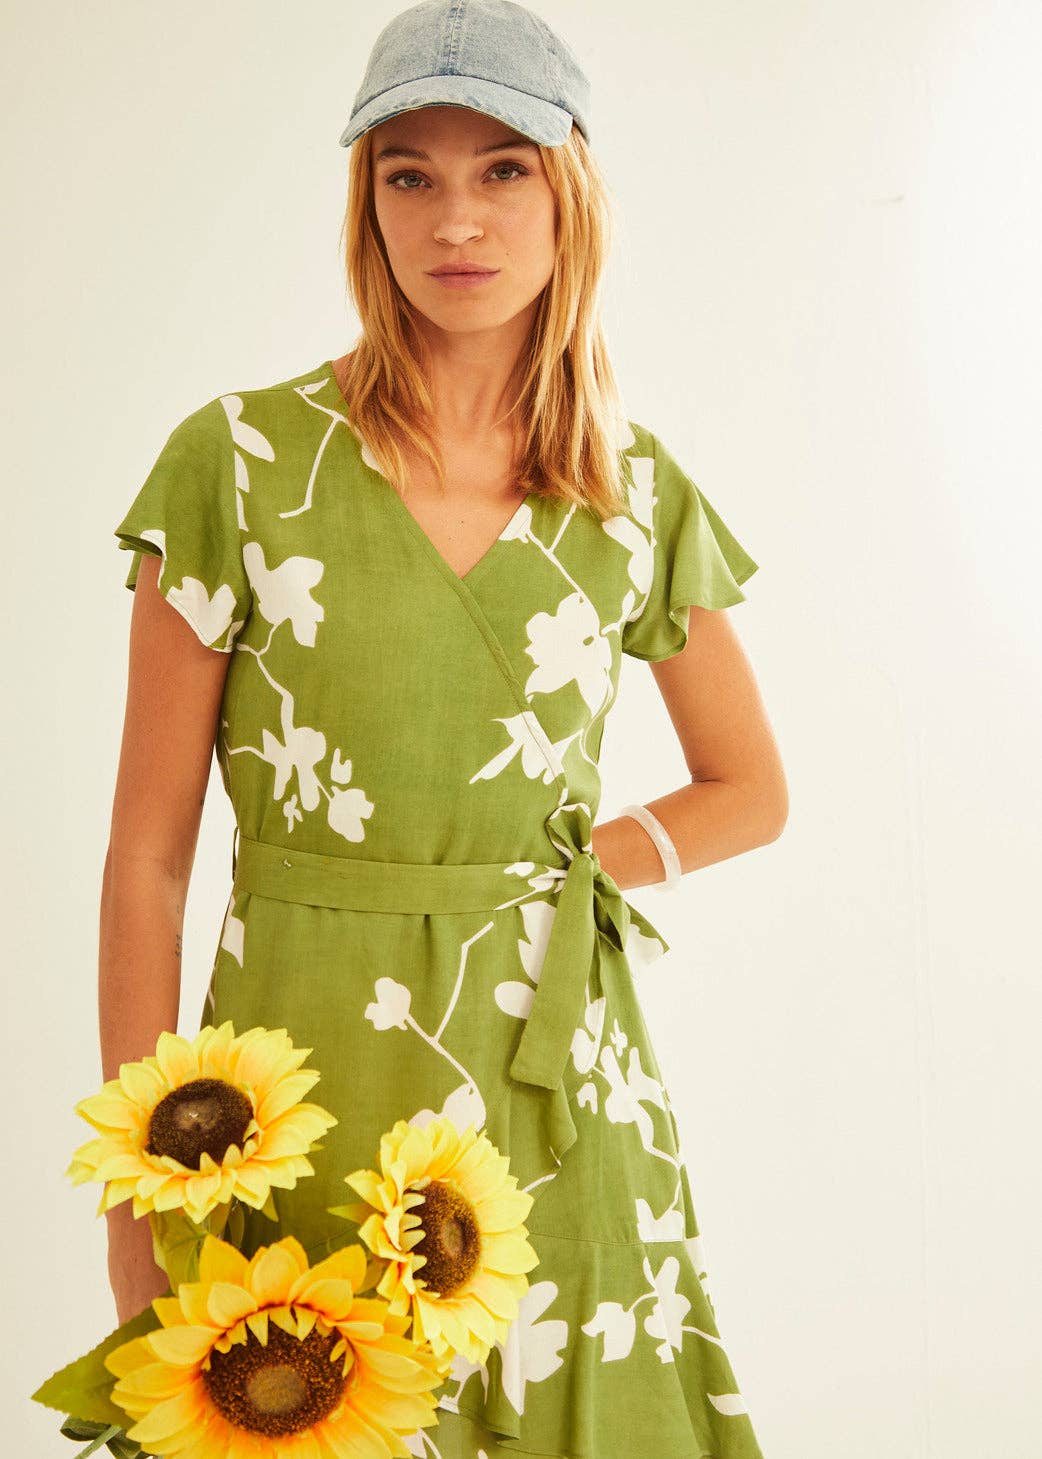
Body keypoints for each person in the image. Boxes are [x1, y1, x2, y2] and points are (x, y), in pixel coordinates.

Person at [102, 1, 787, 1454]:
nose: (454, 219)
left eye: (503, 169)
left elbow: (749, 788)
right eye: (408, 173)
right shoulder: (241, 463)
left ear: (569, 191)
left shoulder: (630, 492)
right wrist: (136, 1200)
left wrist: (567, 872)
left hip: (555, 1082)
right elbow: (148, 861)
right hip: (294, 1084)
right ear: (367, 201)